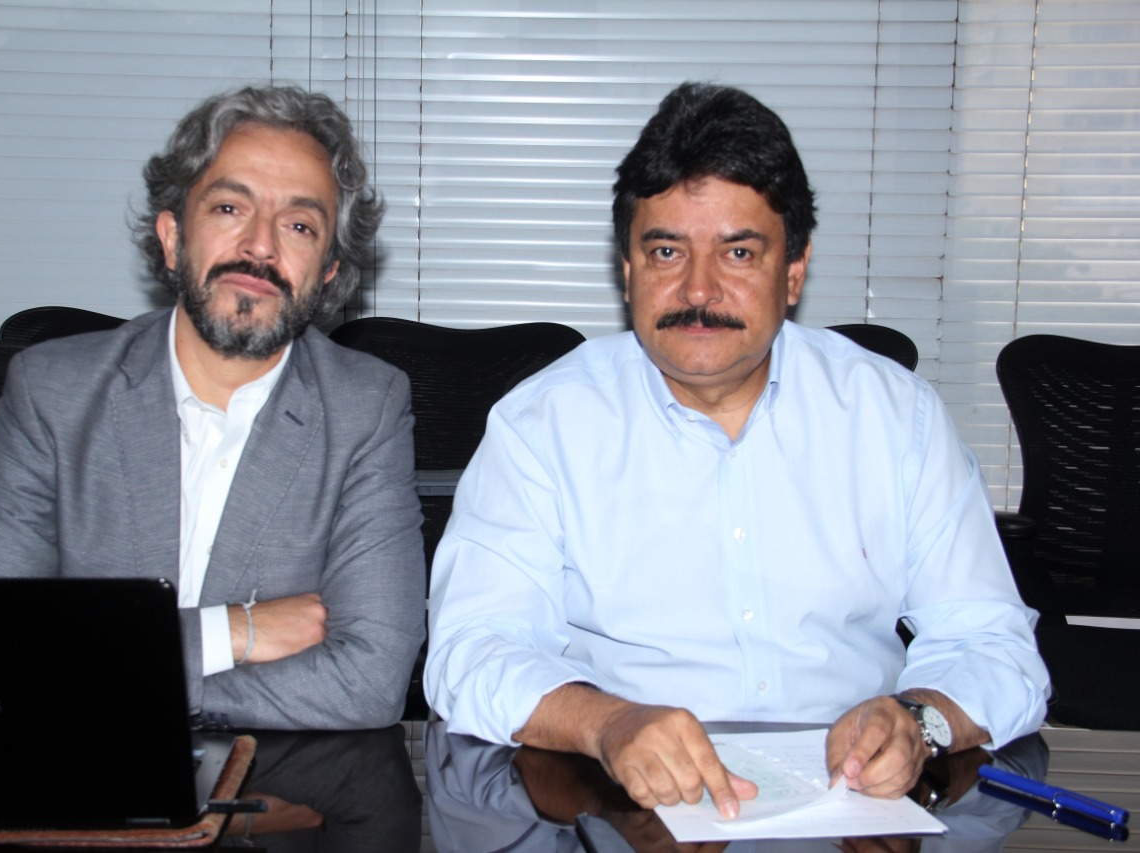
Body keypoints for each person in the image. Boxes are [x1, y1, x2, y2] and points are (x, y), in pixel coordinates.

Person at [425, 82, 1049, 818]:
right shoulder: (542, 427)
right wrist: (606, 722)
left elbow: (993, 645)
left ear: (794, 269)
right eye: (666, 251)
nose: (698, 290)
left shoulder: (894, 417)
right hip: (627, 807)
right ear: (627, 268)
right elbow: (472, 651)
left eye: (739, 252)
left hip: (853, 806)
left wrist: (918, 719)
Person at [0, 85, 425, 731]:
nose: (260, 246)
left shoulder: (366, 408)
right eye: (229, 207)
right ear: (172, 238)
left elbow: (369, 682)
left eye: (299, 226)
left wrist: (98, 674)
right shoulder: (54, 393)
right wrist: (233, 631)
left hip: (278, 780)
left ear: (329, 273)